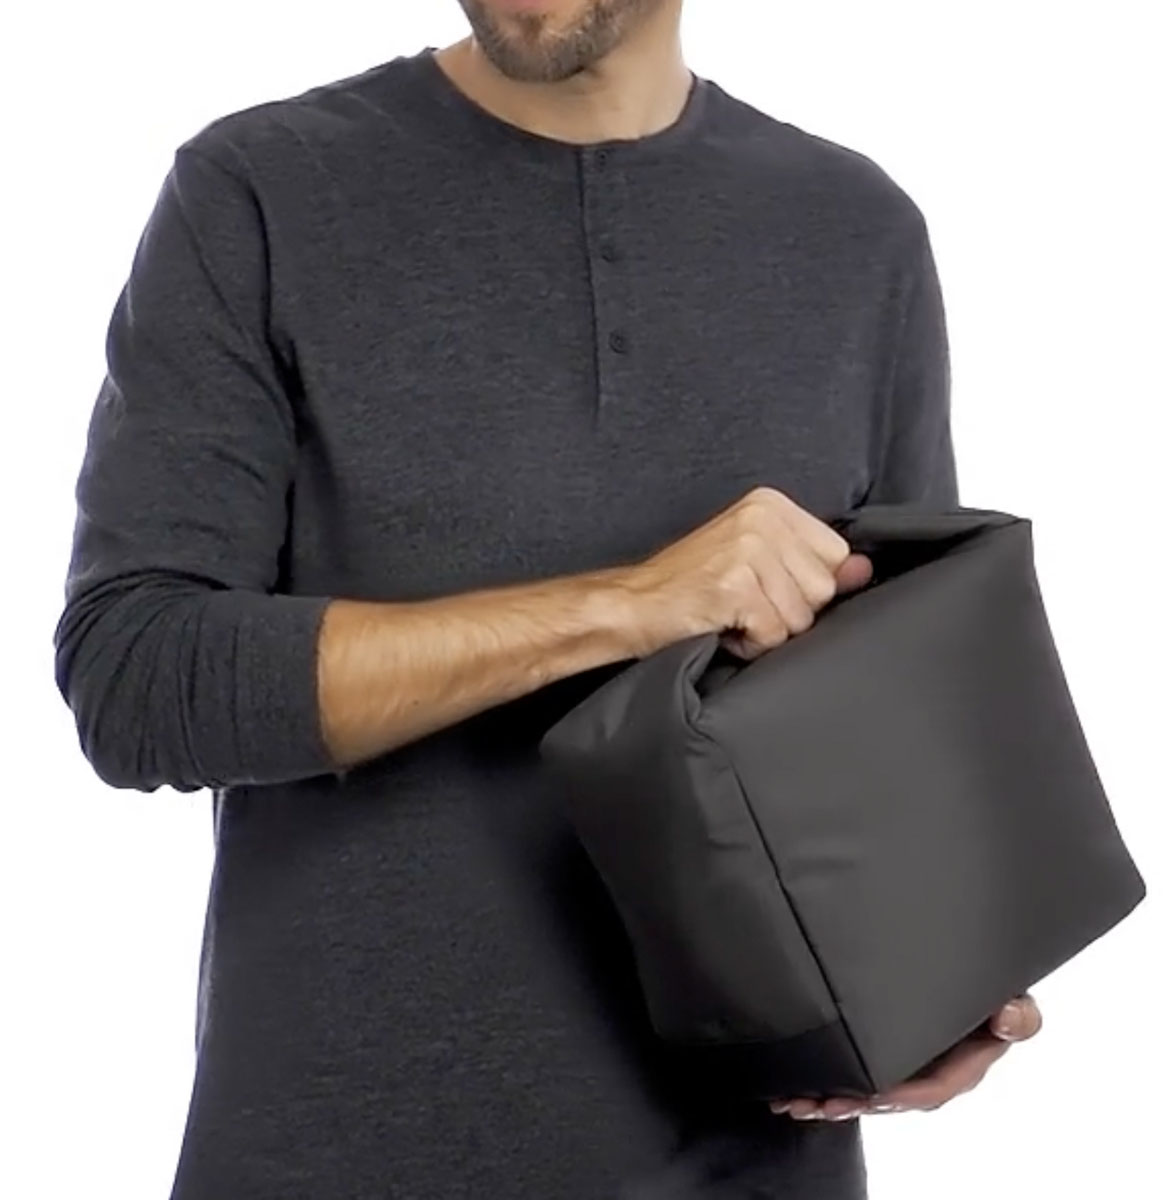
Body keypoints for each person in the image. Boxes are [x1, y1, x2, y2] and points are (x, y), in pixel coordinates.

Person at [53, 1, 1042, 1196]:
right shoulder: (260, 190)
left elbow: (901, 716)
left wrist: (947, 979)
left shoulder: (856, 232)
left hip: (750, 1164)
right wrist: (628, 605)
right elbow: (139, 677)